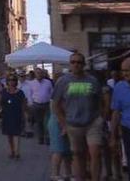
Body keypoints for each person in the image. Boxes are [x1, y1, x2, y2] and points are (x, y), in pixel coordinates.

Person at [53, 51, 104, 181]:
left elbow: (101, 100)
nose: (76, 65)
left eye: (79, 62)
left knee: (95, 153)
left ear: (84, 65)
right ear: (70, 64)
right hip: (73, 124)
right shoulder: (63, 81)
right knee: (77, 155)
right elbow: (56, 105)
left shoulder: (92, 81)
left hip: (92, 122)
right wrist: (63, 124)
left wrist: (100, 118)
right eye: (73, 62)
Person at [111, 57, 130, 181]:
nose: (124, 73)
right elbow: (116, 113)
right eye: (123, 71)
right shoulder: (119, 87)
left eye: (127, 70)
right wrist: (113, 136)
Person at [0, 73, 28, 159]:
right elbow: (1, 102)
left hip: (17, 114)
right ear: (7, 81)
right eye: (9, 80)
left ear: (16, 82)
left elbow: (24, 104)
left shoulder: (20, 92)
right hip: (7, 114)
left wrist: (25, 114)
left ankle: (17, 152)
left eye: (13, 80)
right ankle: (11, 151)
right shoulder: (4, 91)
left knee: (16, 133)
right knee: (9, 134)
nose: (11, 82)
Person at [29, 69, 55, 145]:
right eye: (37, 73)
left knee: (47, 122)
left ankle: (48, 138)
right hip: (36, 104)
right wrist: (31, 103)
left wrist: (50, 100)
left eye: (40, 73)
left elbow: (52, 92)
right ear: (35, 74)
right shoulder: (32, 83)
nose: (39, 74)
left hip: (46, 104)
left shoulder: (48, 82)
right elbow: (30, 94)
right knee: (39, 122)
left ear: (43, 74)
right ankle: (41, 137)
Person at [49, 105, 74, 181]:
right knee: (58, 150)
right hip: (58, 121)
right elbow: (55, 108)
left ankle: (68, 173)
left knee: (67, 151)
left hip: (68, 120)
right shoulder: (58, 93)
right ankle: (55, 174)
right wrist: (63, 125)